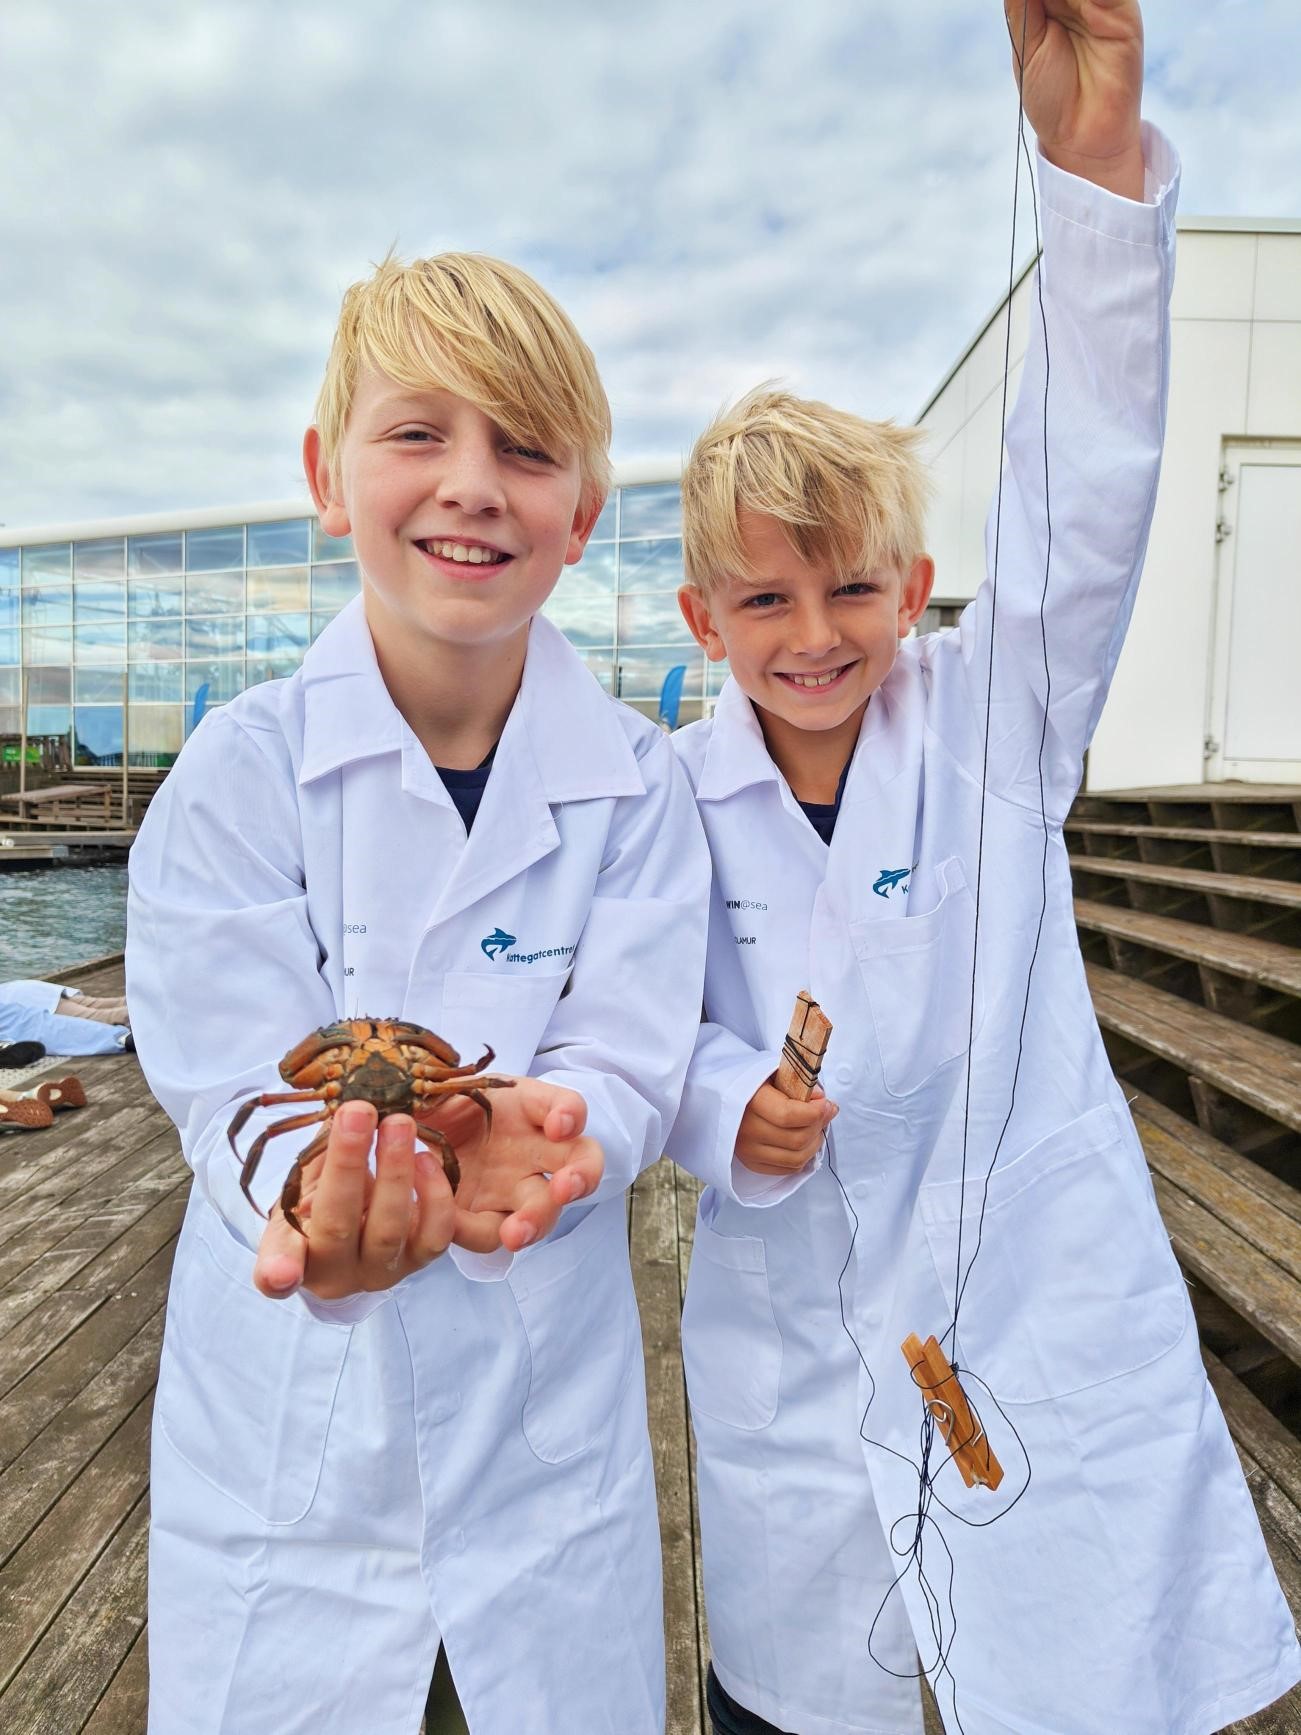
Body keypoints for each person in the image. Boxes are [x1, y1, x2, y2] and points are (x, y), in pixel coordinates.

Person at [665, 4, 1301, 1732]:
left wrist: (1085, 172)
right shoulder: (664, 805)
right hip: (795, 1370)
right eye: (767, 601)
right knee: (804, 1699)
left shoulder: (994, 728)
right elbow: (629, 1032)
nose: (815, 636)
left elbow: (1081, 494)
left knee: (1075, 1675)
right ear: (699, 617)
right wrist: (729, 1102)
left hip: (1023, 1303)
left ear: (916, 579)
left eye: (853, 589)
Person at [126, 250, 709, 1733]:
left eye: (524, 447)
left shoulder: (639, 785)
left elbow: (631, 1045)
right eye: (416, 433)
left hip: (545, 1446)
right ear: (330, 477)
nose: (471, 482)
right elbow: (228, 1062)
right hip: (283, 1469)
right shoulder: (239, 771)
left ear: (582, 515)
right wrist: (321, 1189)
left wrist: (569, 1131)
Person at [0, 977, 131, 1056]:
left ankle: (130, 1029)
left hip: (20, 999)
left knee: (102, 1016)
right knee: (100, 1005)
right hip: (21, 990)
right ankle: (137, 1003)